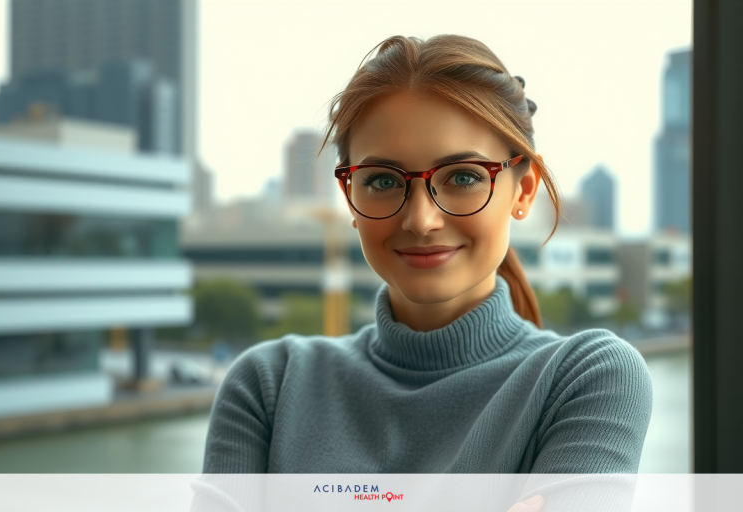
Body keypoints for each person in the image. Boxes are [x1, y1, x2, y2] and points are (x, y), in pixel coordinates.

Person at [201, 34, 652, 479]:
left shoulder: (587, 379)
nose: (421, 219)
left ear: (524, 190)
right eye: (382, 181)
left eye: (462, 177)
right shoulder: (268, 386)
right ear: (349, 195)